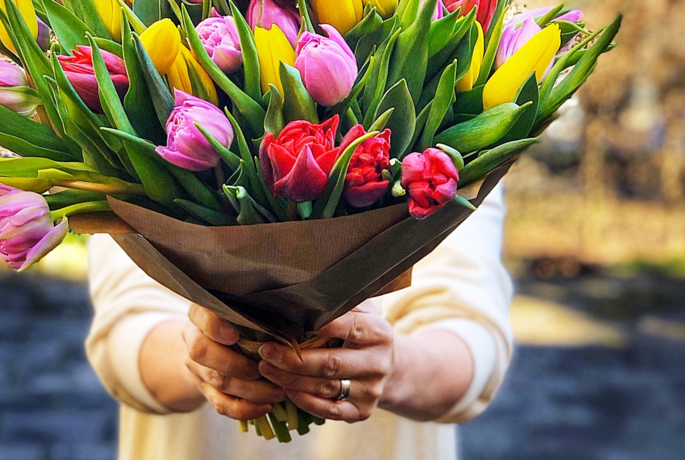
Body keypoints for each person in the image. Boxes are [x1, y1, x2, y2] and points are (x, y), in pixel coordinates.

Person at [86, 186, 512, 460]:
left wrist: (393, 368)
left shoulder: (458, 68)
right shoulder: (142, 58)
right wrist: (198, 358)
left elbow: (473, 333)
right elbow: (123, 324)